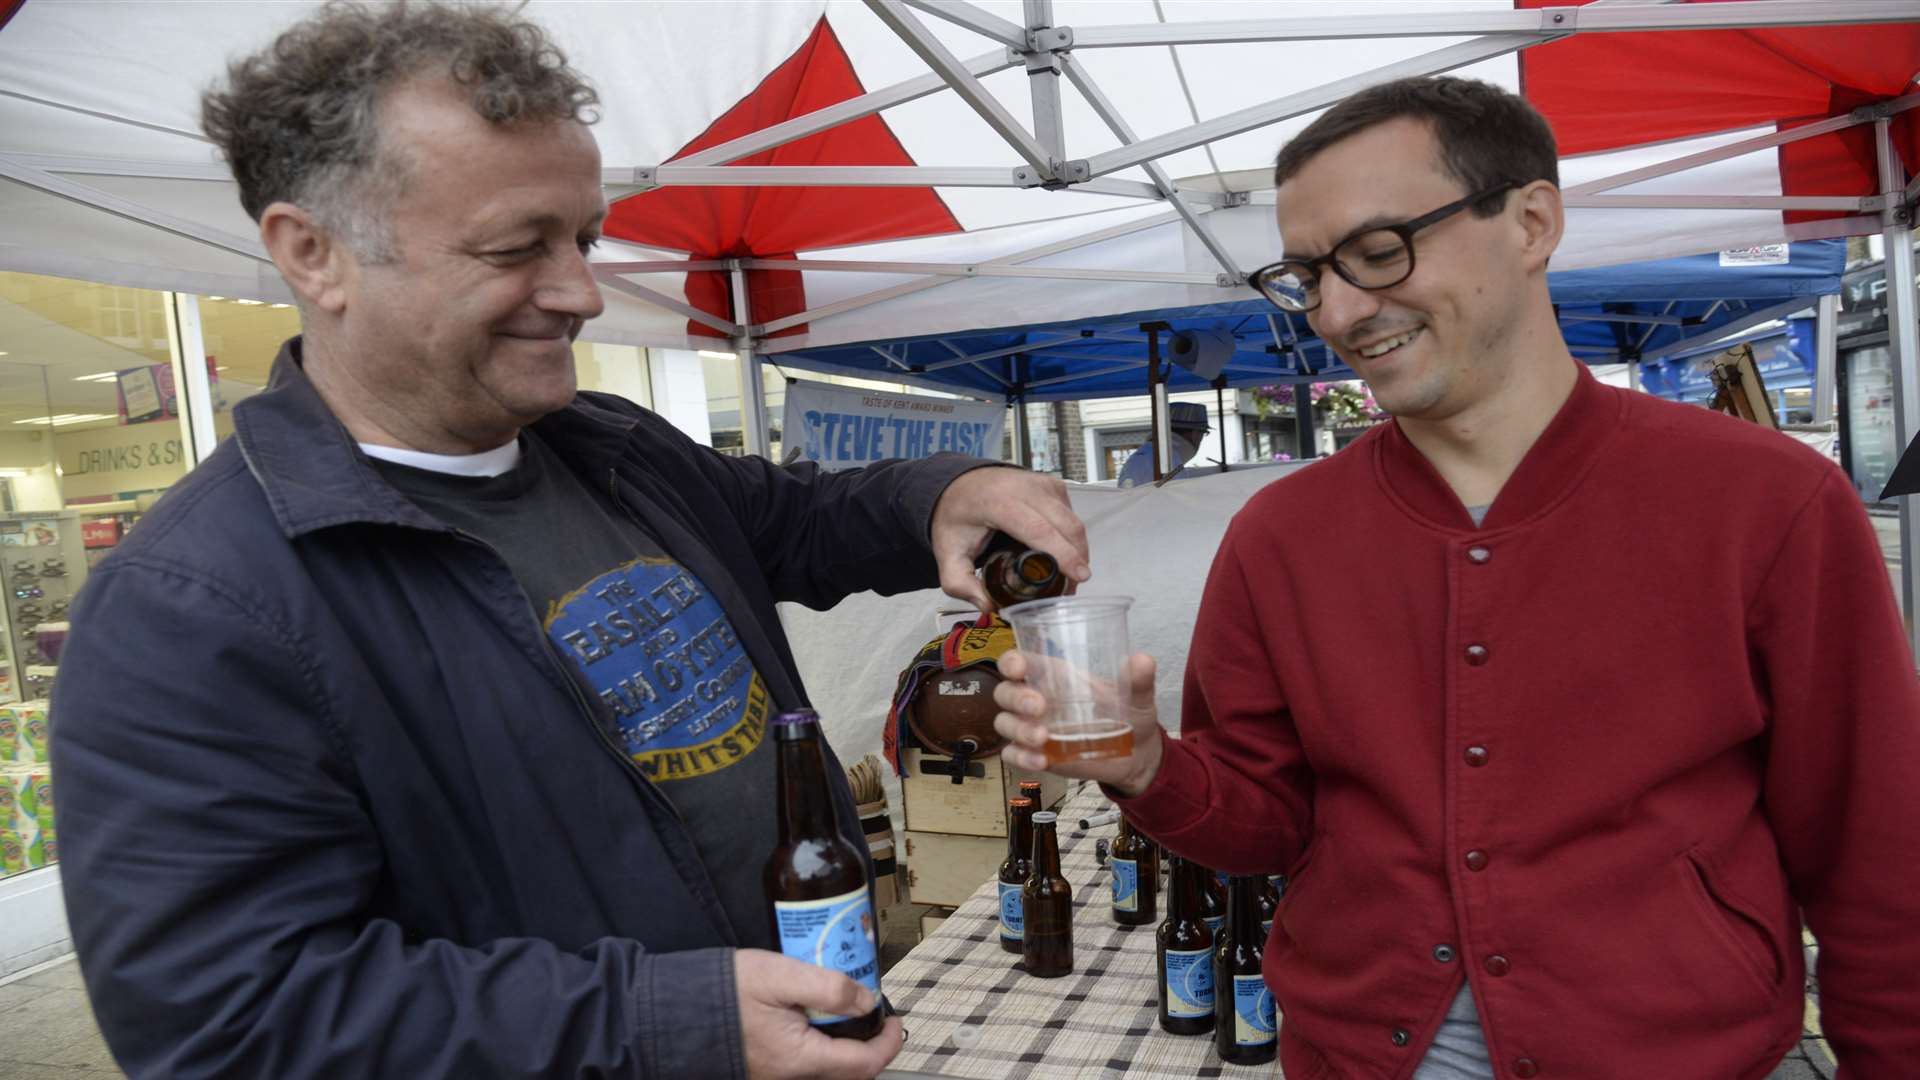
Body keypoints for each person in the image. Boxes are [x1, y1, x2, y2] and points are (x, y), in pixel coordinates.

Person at [48, 6, 1089, 1079]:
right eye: (515, 248)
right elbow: (230, 1021)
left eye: (583, 238)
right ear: (313, 253)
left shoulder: (606, 445)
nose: (582, 294)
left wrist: (939, 494)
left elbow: (787, 518)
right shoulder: (189, 608)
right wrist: (660, 1023)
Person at [995, 76, 1920, 1079]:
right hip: (1361, 1052)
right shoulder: (1280, 537)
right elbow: (1265, 822)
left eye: (1380, 251)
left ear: (1530, 222)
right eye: (1308, 277)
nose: (1340, 311)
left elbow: (1875, 852)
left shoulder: (1767, 500)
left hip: (1685, 1049)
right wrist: (1147, 767)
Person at [1115, 401, 1211, 487]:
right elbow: (1177, 500)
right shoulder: (1168, 460)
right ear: (1195, 434)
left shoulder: (1142, 454)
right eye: (1203, 433)